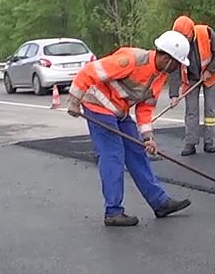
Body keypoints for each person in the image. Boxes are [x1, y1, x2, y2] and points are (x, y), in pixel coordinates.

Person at [67, 30, 194, 226]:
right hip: (97, 105)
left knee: (137, 151)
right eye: (176, 63)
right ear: (165, 56)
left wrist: (147, 137)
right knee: (113, 154)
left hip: (119, 111)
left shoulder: (159, 76)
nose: (177, 68)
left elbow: (145, 108)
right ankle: (113, 211)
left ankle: (159, 203)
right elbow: (89, 72)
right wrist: (74, 100)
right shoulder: (131, 60)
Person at [169, 15, 215, 156]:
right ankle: (190, 143)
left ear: (191, 33)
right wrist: (173, 94)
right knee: (191, 111)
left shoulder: (205, 33)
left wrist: (210, 70)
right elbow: (174, 69)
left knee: (210, 111)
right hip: (190, 79)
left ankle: (209, 142)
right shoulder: (176, 44)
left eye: (185, 38)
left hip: (211, 77)